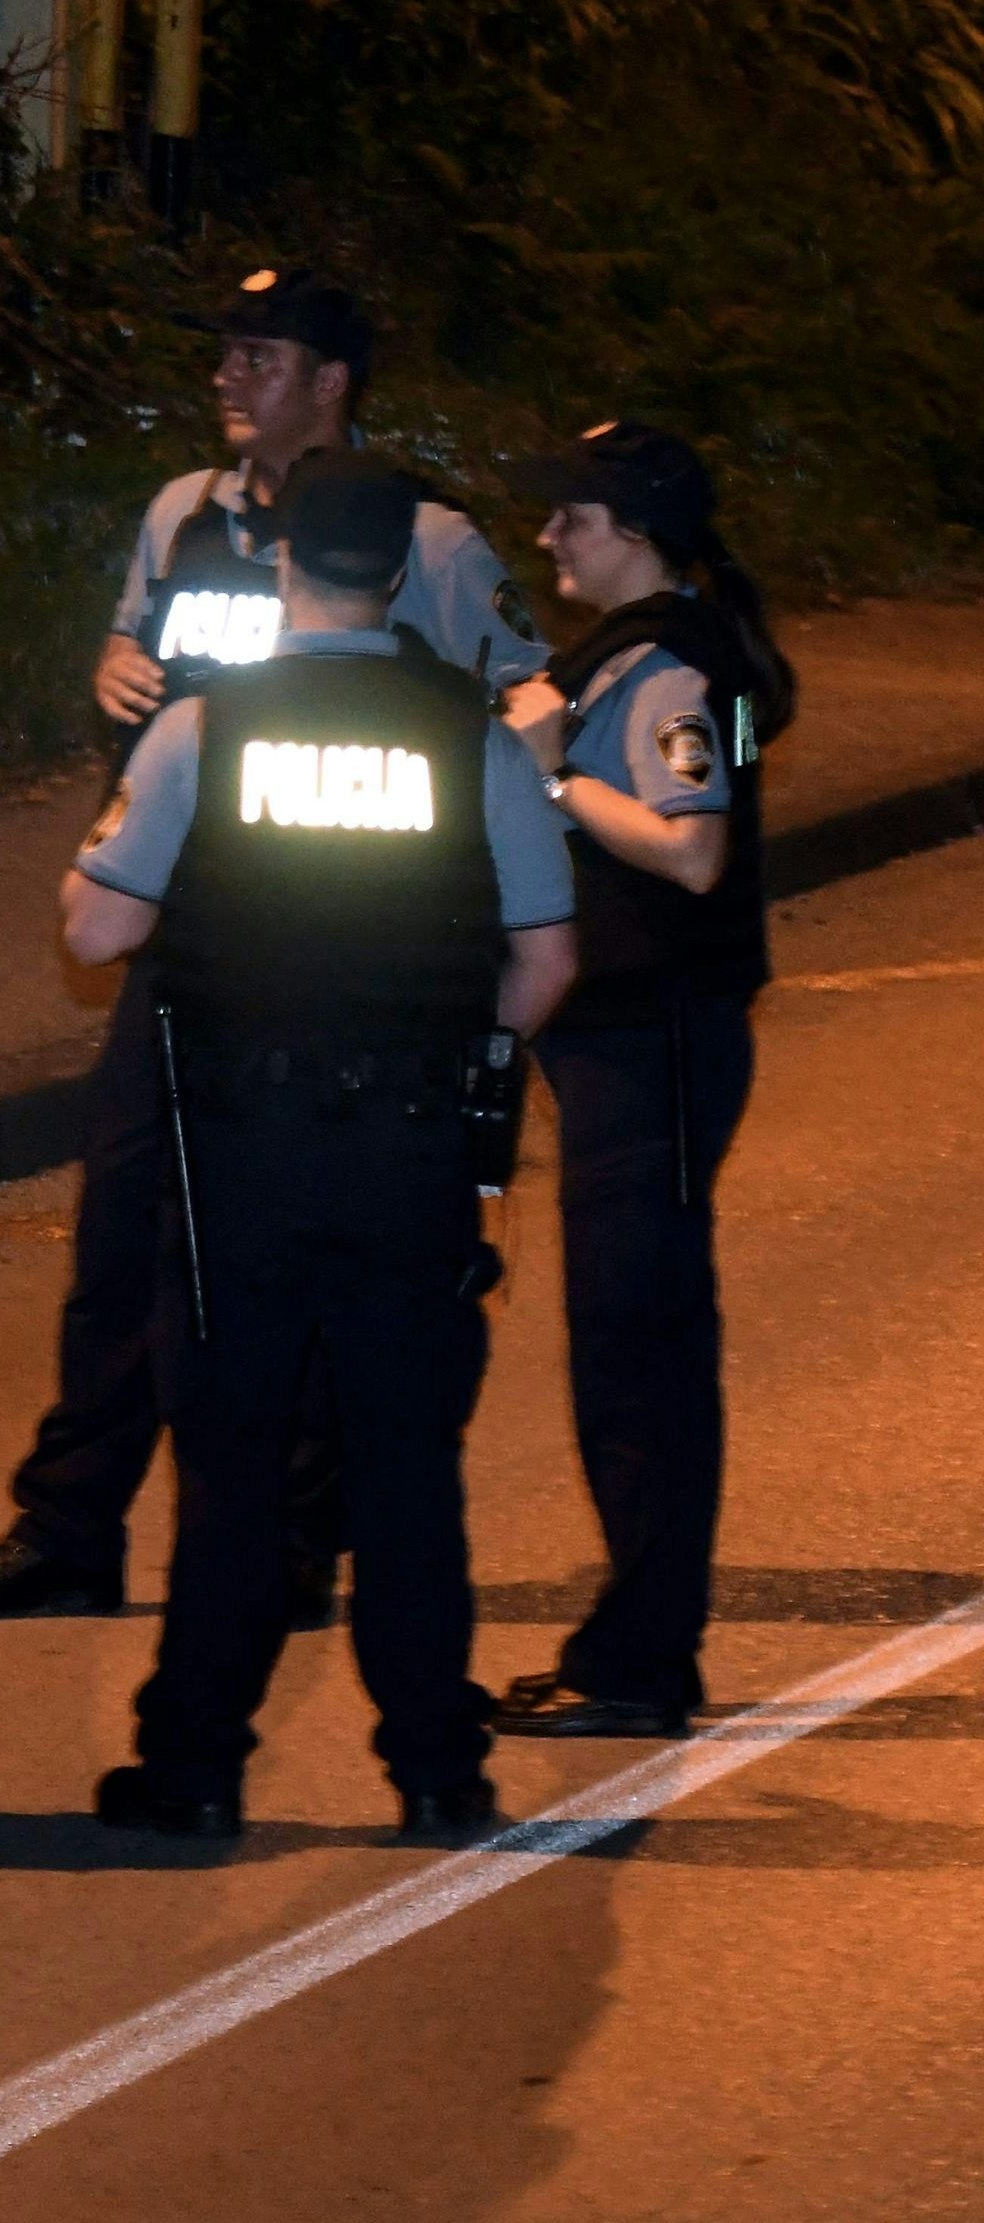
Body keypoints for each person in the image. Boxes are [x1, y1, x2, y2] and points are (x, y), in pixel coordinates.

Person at [0, 267, 551, 1627]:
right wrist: (110, 680)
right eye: (224, 354)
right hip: (191, 926)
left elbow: (532, 700)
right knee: (118, 1241)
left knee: (319, 1252)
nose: (229, 377)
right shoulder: (184, 516)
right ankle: (71, 1525)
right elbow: (128, 643)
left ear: (333, 382)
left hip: (350, 958)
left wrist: (480, 855)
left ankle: (294, 1537)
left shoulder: (425, 538)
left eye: (260, 357)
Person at [61, 447, 577, 1841]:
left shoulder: (206, 728)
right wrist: (465, 1059)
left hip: (242, 1152)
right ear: (404, 572)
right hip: (407, 1151)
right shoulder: (466, 736)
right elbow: (543, 959)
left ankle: (196, 1764)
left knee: (230, 1465)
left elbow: (98, 925)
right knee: (406, 1463)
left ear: (279, 562)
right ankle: (434, 1768)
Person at [488, 424, 795, 1738]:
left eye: (575, 517)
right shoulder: (667, 649)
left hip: (655, 1039)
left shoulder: (670, 663)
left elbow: (691, 853)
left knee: (642, 1352)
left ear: (635, 530)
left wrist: (552, 767)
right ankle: (633, 1642)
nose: (552, 536)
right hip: (640, 1042)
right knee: (633, 1344)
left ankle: (641, 1662)